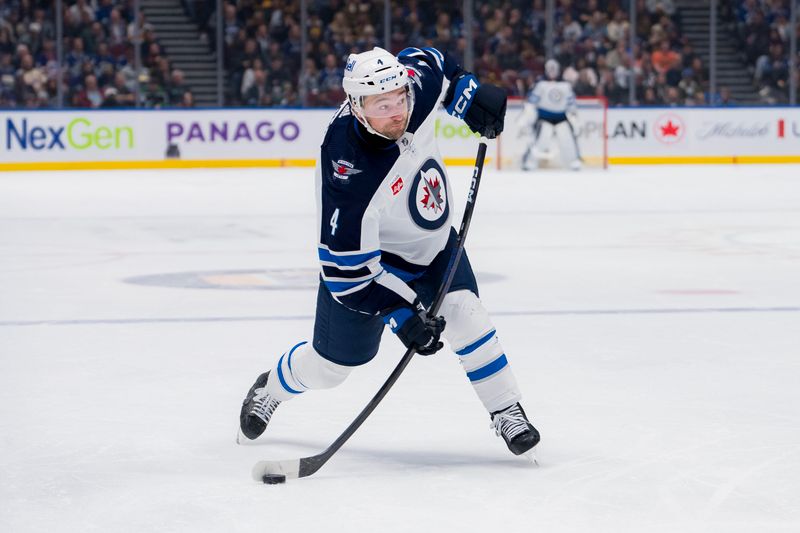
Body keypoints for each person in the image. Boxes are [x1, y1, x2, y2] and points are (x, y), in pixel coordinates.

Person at [238, 47, 540, 458]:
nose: (397, 111)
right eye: (383, 105)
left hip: (434, 248)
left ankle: (506, 409)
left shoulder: (413, 90)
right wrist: (403, 315)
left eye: (399, 98)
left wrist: (470, 96)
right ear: (356, 105)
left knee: (468, 317)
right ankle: (271, 387)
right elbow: (348, 276)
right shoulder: (348, 173)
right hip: (372, 271)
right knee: (331, 368)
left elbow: (434, 60)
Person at [520, 59, 582, 171]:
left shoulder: (565, 85)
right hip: (544, 118)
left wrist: (574, 116)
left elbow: (571, 104)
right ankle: (529, 162)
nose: (552, 72)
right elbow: (531, 102)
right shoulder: (540, 85)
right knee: (539, 142)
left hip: (561, 117)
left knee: (567, 140)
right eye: (550, 69)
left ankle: (574, 162)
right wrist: (527, 115)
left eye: (554, 69)